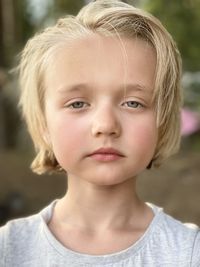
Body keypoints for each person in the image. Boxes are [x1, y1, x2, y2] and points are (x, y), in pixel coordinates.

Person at [0, 0, 199, 266]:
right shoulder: (8, 249)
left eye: (133, 103)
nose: (105, 125)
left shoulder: (188, 252)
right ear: (44, 125)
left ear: (161, 121)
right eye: (78, 104)